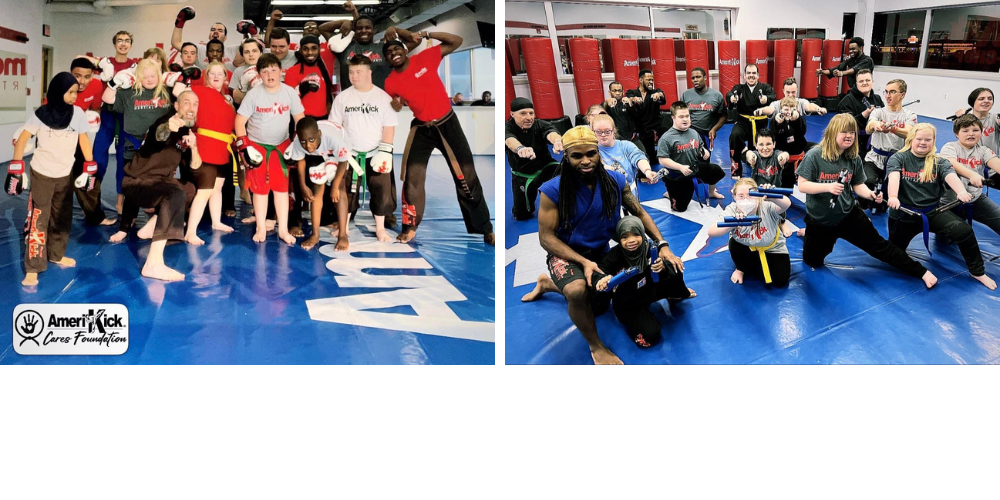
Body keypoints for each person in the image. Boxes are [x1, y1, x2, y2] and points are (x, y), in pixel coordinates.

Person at [519, 126, 686, 365]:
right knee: (576, 292)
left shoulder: (615, 180)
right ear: (566, 156)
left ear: (598, 152)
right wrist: (583, 262)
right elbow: (546, 238)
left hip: (599, 250)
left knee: (598, 305)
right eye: (577, 156)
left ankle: (548, 284)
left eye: (591, 153)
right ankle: (596, 346)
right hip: (565, 253)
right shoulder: (552, 190)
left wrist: (662, 244)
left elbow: (639, 212)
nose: (586, 161)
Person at [796, 113, 937, 289]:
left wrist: (870, 194)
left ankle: (921, 272)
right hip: (820, 220)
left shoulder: (853, 158)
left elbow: (857, 185)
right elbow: (802, 185)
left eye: (852, 132)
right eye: (844, 132)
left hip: (848, 215)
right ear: (832, 132)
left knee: (880, 247)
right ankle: (808, 232)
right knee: (812, 261)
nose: (849, 136)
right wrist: (828, 187)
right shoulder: (815, 155)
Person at [383, 32, 494, 245]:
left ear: (405, 50)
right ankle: (410, 227)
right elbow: (395, 104)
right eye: (388, 52)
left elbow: (457, 40)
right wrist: (395, 105)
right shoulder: (390, 83)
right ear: (387, 60)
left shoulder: (424, 58)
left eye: (396, 48)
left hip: (448, 123)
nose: (393, 53)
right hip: (421, 128)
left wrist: (426, 33)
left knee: (466, 175)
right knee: (412, 178)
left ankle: (485, 228)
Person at [7, 73, 97, 286]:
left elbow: (83, 140)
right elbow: (22, 139)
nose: (75, 96)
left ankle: (56, 254)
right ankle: (33, 267)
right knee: (39, 218)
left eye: (76, 92)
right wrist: (17, 168)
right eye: (70, 92)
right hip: (42, 174)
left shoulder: (78, 114)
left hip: (65, 174)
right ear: (58, 91)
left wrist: (90, 166)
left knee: (62, 217)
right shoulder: (42, 114)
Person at [885, 123, 995, 289]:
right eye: (919, 139)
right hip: (904, 214)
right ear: (911, 139)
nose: (923, 143)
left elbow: (951, 176)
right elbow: (894, 177)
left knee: (964, 231)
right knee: (893, 253)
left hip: (932, 212)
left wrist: (960, 191)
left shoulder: (939, 161)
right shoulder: (899, 158)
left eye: (928, 140)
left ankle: (977, 272)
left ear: (933, 141)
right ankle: (920, 272)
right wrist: (893, 196)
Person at [110, 91, 201, 282]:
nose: (191, 108)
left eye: (195, 104)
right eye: (186, 103)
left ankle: (150, 228)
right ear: (176, 106)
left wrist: (194, 148)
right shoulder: (165, 121)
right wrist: (169, 126)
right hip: (137, 182)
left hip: (159, 182)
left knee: (189, 188)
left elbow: (195, 169)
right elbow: (160, 134)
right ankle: (153, 263)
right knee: (175, 194)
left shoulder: (187, 132)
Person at [235, 53, 306, 245]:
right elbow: (239, 121)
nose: (270, 75)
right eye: (265, 71)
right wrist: (244, 146)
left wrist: (297, 144)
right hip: (257, 146)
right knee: (260, 191)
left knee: (281, 189)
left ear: (280, 71)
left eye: (273, 70)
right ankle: (260, 227)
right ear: (259, 74)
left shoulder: (289, 92)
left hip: (281, 146)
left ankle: (283, 229)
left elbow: (300, 119)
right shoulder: (253, 94)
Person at [328, 54, 400, 244]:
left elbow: (389, 127)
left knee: (381, 192)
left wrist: (385, 151)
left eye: (358, 72)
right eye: (351, 72)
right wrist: (339, 151)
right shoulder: (342, 98)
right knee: (347, 192)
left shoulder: (383, 98)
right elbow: (335, 127)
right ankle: (344, 227)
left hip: (376, 152)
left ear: (369, 73)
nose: (354, 76)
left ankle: (380, 228)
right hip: (350, 154)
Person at [593, 216, 695, 348]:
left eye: (636, 234)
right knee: (651, 335)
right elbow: (600, 271)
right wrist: (603, 278)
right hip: (630, 301)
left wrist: (663, 266)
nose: (631, 240)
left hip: (650, 289)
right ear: (618, 239)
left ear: (642, 233)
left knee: (674, 267)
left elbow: (669, 267)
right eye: (625, 237)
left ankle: (675, 294)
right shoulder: (614, 255)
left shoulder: (651, 249)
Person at [102, 58, 177, 216]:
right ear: (137, 77)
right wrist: (114, 83)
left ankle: (159, 213)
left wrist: (181, 80)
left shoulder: (167, 92)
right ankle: (129, 219)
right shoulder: (129, 93)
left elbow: (183, 98)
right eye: (145, 77)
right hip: (135, 144)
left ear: (159, 75)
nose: (149, 80)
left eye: (152, 76)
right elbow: (107, 99)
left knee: (160, 180)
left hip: (159, 145)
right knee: (132, 182)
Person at [284, 34, 337, 235]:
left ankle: (324, 216)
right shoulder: (292, 72)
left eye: (313, 48)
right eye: (306, 49)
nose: (310, 52)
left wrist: (330, 123)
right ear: (300, 51)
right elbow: (288, 100)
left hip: (321, 123)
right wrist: (302, 89)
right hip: (300, 123)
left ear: (318, 50)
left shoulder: (324, 69)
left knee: (321, 170)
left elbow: (328, 98)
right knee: (298, 173)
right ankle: (295, 219)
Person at [181, 62, 236, 245]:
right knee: (204, 191)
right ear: (206, 76)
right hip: (206, 146)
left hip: (222, 148)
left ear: (225, 77)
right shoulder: (200, 91)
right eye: (212, 73)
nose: (216, 76)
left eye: (220, 73)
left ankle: (216, 221)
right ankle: (190, 232)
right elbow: (180, 94)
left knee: (217, 188)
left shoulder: (226, 99)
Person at [90, 31, 141, 216]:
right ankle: (92, 201)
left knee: (122, 160)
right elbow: (80, 59)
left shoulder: (136, 65)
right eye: (120, 41)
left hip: (125, 117)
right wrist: (97, 61)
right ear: (114, 44)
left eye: (127, 41)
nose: (123, 44)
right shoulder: (107, 62)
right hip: (107, 115)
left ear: (131, 45)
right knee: (98, 159)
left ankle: (120, 202)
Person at [707, 178, 792, 286]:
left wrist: (773, 196)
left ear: (757, 194)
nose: (746, 199)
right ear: (734, 196)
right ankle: (741, 268)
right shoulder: (732, 209)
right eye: (741, 196)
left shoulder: (766, 205)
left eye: (750, 195)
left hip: (771, 248)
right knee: (734, 243)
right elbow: (711, 231)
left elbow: (786, 204)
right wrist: (733, 223)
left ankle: (756, 262)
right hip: (744, 246)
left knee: (780, 281)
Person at [321, 2, 421, 89]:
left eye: (368, 27)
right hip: (351, 101)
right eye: (359, 28)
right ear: (355, 30)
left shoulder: (385, 49)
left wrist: (395, 29)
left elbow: (416, 41)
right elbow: (322, 29)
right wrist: (344, 22)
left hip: (379, 102)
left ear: (374, 30)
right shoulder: (344, 48)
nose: (363, 31)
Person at [285, 118, 350, 250]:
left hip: (337, 154)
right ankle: (315, 234)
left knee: (340, 189)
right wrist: (303, 186)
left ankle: (343, 235)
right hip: (317, 154)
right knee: (316, 186)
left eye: (311, 140)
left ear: (319, 134)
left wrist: (335, 186)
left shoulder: (333, 138)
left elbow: (343, 162)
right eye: (303, 142)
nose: (308, 145)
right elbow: (301, 161)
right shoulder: (299, 141)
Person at [69, 57, 116, 227]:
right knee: (55, 181)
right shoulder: (61, 85)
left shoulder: (96, 86)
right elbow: (47, 114)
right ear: (70, 74)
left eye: (87, 76)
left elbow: (95, 108)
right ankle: (39, 219)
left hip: (78, 136)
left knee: (89, 175)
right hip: (54, 138)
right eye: (77, 76)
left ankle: (95, 216)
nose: (82, 81)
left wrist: (92, 117)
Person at [656, 101, 726, 211]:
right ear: (673, 117)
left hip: (693, 168)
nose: (685, 119)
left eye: (687, 116)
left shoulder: (693, 132)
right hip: (677, 175)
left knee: (716, 171)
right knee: (680, 208)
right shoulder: (667, 138)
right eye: (681, 117)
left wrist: (704, 152)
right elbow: (662, 160)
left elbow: (700, 148)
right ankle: (671, 192)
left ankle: (711, 192)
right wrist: (680, 167)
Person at [940, 114, 1000, 239]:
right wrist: (972, 175)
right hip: (949, 203)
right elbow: (951, 163)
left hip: (975, 199)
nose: (971, 134)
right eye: (965, 130)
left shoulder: (984, 151)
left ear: (981, 133)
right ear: (957, 134)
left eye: (975, 130)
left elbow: (996, 164)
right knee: (947, 239)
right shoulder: (950, 147)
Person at [861, 78, 915, 213]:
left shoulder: (909, 115)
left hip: (896, 161)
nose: (887, 95)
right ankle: (862, 206)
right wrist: (877, 125)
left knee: (885, 202)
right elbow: (869, 127)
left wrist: (892, 128)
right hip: (874, 158)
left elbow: (909, 132)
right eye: (886, 92)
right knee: (868, 181)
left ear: (902, 95)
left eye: (892, 92)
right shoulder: (878, 112)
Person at [505, 97, 563, 220]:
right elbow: (509, 140)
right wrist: (520, 148)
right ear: (512, 114)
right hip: (523, 174)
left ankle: (563, 202)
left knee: (566, 171)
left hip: (546, 168)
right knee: (522, 215)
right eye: (523, 113)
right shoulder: (507, 127)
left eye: (531, 113)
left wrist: (557, 141)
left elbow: (551, 133)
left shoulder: (540, 124)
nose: (529, 117)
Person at [727, 64, 776, 178]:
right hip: (743, 121)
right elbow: (730, 93)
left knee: (761, 143)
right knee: (735, 135)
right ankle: (736, 168)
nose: (751, 75)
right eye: (748, 73)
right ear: (744, 76)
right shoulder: (739, 88)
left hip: (760, 123)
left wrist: (766, 99)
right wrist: (732, 98)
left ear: (758, 75)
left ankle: (760, 166)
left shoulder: (765, 88)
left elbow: (773, 97)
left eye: (754, 73)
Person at [592, 114, 655, 196]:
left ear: (613, 130)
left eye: (607, 131)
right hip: (605, 195)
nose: (603, 135)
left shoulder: (626, 146)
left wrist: (647, 171)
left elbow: (639, 157)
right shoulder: (592, 150)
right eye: (598, 132)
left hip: (629, 193)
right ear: (593, 131)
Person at [169, 6, 244, 71]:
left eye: (220, 30)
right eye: (213, 30)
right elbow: (176, 43)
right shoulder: (199, 49)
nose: (216, 32)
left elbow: (251, 47)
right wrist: (180, 21)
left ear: (225, 38)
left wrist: (250, 32)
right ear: (209, 36)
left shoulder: (234, 50)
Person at [837, 69, 882, 158]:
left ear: (872, 82)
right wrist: (865, 114)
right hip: (855, 145)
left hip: (875, 143)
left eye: (867, 80)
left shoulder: (877, 98)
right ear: (856, 83)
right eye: (861, 81)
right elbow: (845, 125)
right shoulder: (847, 101)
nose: (864, 83)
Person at [625, 69, 667, 162]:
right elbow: (628, 98)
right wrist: (633, 99)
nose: (651, 82)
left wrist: (659, 95)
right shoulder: (632, 92)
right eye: (648, 80)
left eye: (652, 80)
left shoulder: (655, 92)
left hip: (653, 128)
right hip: (640, 130)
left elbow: (662, 96)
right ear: (641, 80)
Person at [682, 67, 726, 150]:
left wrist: (714, 129)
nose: (695, 80)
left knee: (705, 157)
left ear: (705, 78)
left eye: (698, 77)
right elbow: (680, 114)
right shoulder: (686, 95)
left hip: (706, 134)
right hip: (689, 133)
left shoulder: (717, 96)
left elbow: (723, 116)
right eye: (693, 78)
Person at [770, 96, 810, 176]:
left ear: (797, 110)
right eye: (786, 109)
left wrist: (796, 119)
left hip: (798, 156)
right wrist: (777, 123)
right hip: (783, 158)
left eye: (793, 109)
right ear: (781, 110)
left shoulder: (800, 120)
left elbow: (802, 132)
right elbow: (774, 134)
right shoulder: (776, 120)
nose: (789, 112)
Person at [952, 88, 1000, 155]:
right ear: (973, 102)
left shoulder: (995, 118)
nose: (986, 101)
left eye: (990, 99)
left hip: (991, 159)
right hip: (970, 158)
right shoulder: (964, 119)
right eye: (981, 99)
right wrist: (959, 117)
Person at [602, 80, 644, 156]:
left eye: (620, 90)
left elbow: (636, 111)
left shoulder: (627, 103)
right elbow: (600, 113)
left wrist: (630, 103)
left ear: (623, 92)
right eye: (614, 91)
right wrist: (606, 102)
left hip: (631, 138)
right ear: (609, 92)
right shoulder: (606, 105)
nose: (617, 93)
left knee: (643, 155)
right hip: (616, 141)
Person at [757, 77, 828, 117]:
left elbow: (809, 106)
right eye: (788, 92)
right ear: (783, 91)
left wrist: (818, 109)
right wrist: (761, 110)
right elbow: (770, 109)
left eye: (793, 92)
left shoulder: (801, 102)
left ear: (797, 90)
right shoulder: (776, 104)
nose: (791, 95)